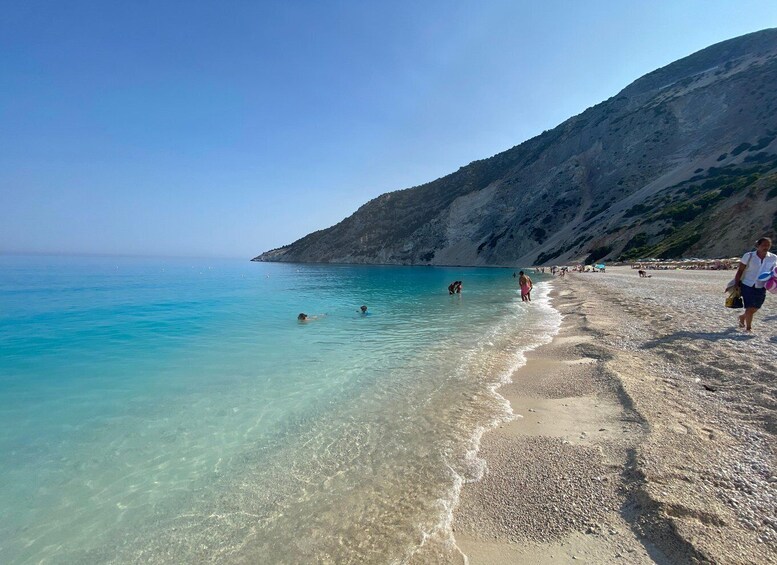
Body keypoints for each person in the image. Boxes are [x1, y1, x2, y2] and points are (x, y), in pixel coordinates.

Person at [733, 237, 776, 331]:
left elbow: (774, 272)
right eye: (764, 245)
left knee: (756, 307)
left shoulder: (773, 258)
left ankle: (742, 317)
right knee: (750, 306)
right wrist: (736, 284)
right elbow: (740, 270)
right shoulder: (749, 256)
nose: (766, 247)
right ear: (758, 246)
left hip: (762, 285)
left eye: (768, 245)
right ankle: (748, 328)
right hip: (747, 284)